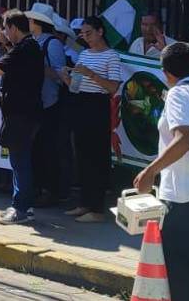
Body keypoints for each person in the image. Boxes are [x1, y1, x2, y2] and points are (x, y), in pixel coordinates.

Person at [133, 42, 189, 300]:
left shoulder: (179, 94)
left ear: (167, 72)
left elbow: (184, 139)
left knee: (178, 271)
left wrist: (150, 171)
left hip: (182, 195)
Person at [60, 17, 122, 223]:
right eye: (83, 34)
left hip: (98, 105)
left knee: (96, 156)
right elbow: (75, 86)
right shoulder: (84, 54)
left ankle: (96, 208)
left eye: (89, 33)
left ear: (100, 32)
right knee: (83, 155)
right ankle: (84, 203)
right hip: (81, 102)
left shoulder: (111, 56)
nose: (85, 37)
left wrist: (91, 74)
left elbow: (113, 87)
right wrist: (66, 77)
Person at [0, 9, 44, 225]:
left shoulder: (26, 48)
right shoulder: (27, 47)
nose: (4, 32)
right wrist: (6, 46)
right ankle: (20, 203)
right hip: (23, 112)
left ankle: (22, 208)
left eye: (5, 28)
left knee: (20, 160)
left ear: (13, 28)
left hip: (21, 114)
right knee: (18, 159)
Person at [24, 2, 69, 207]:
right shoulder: (32, 41)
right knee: (35, 148)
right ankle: (37, 187)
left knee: (48, 147)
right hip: (34, 102)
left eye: (31, 19)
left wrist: (35, 69)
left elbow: (61, 76)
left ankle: (52, 190)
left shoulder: (52, 43)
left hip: (49, 103)